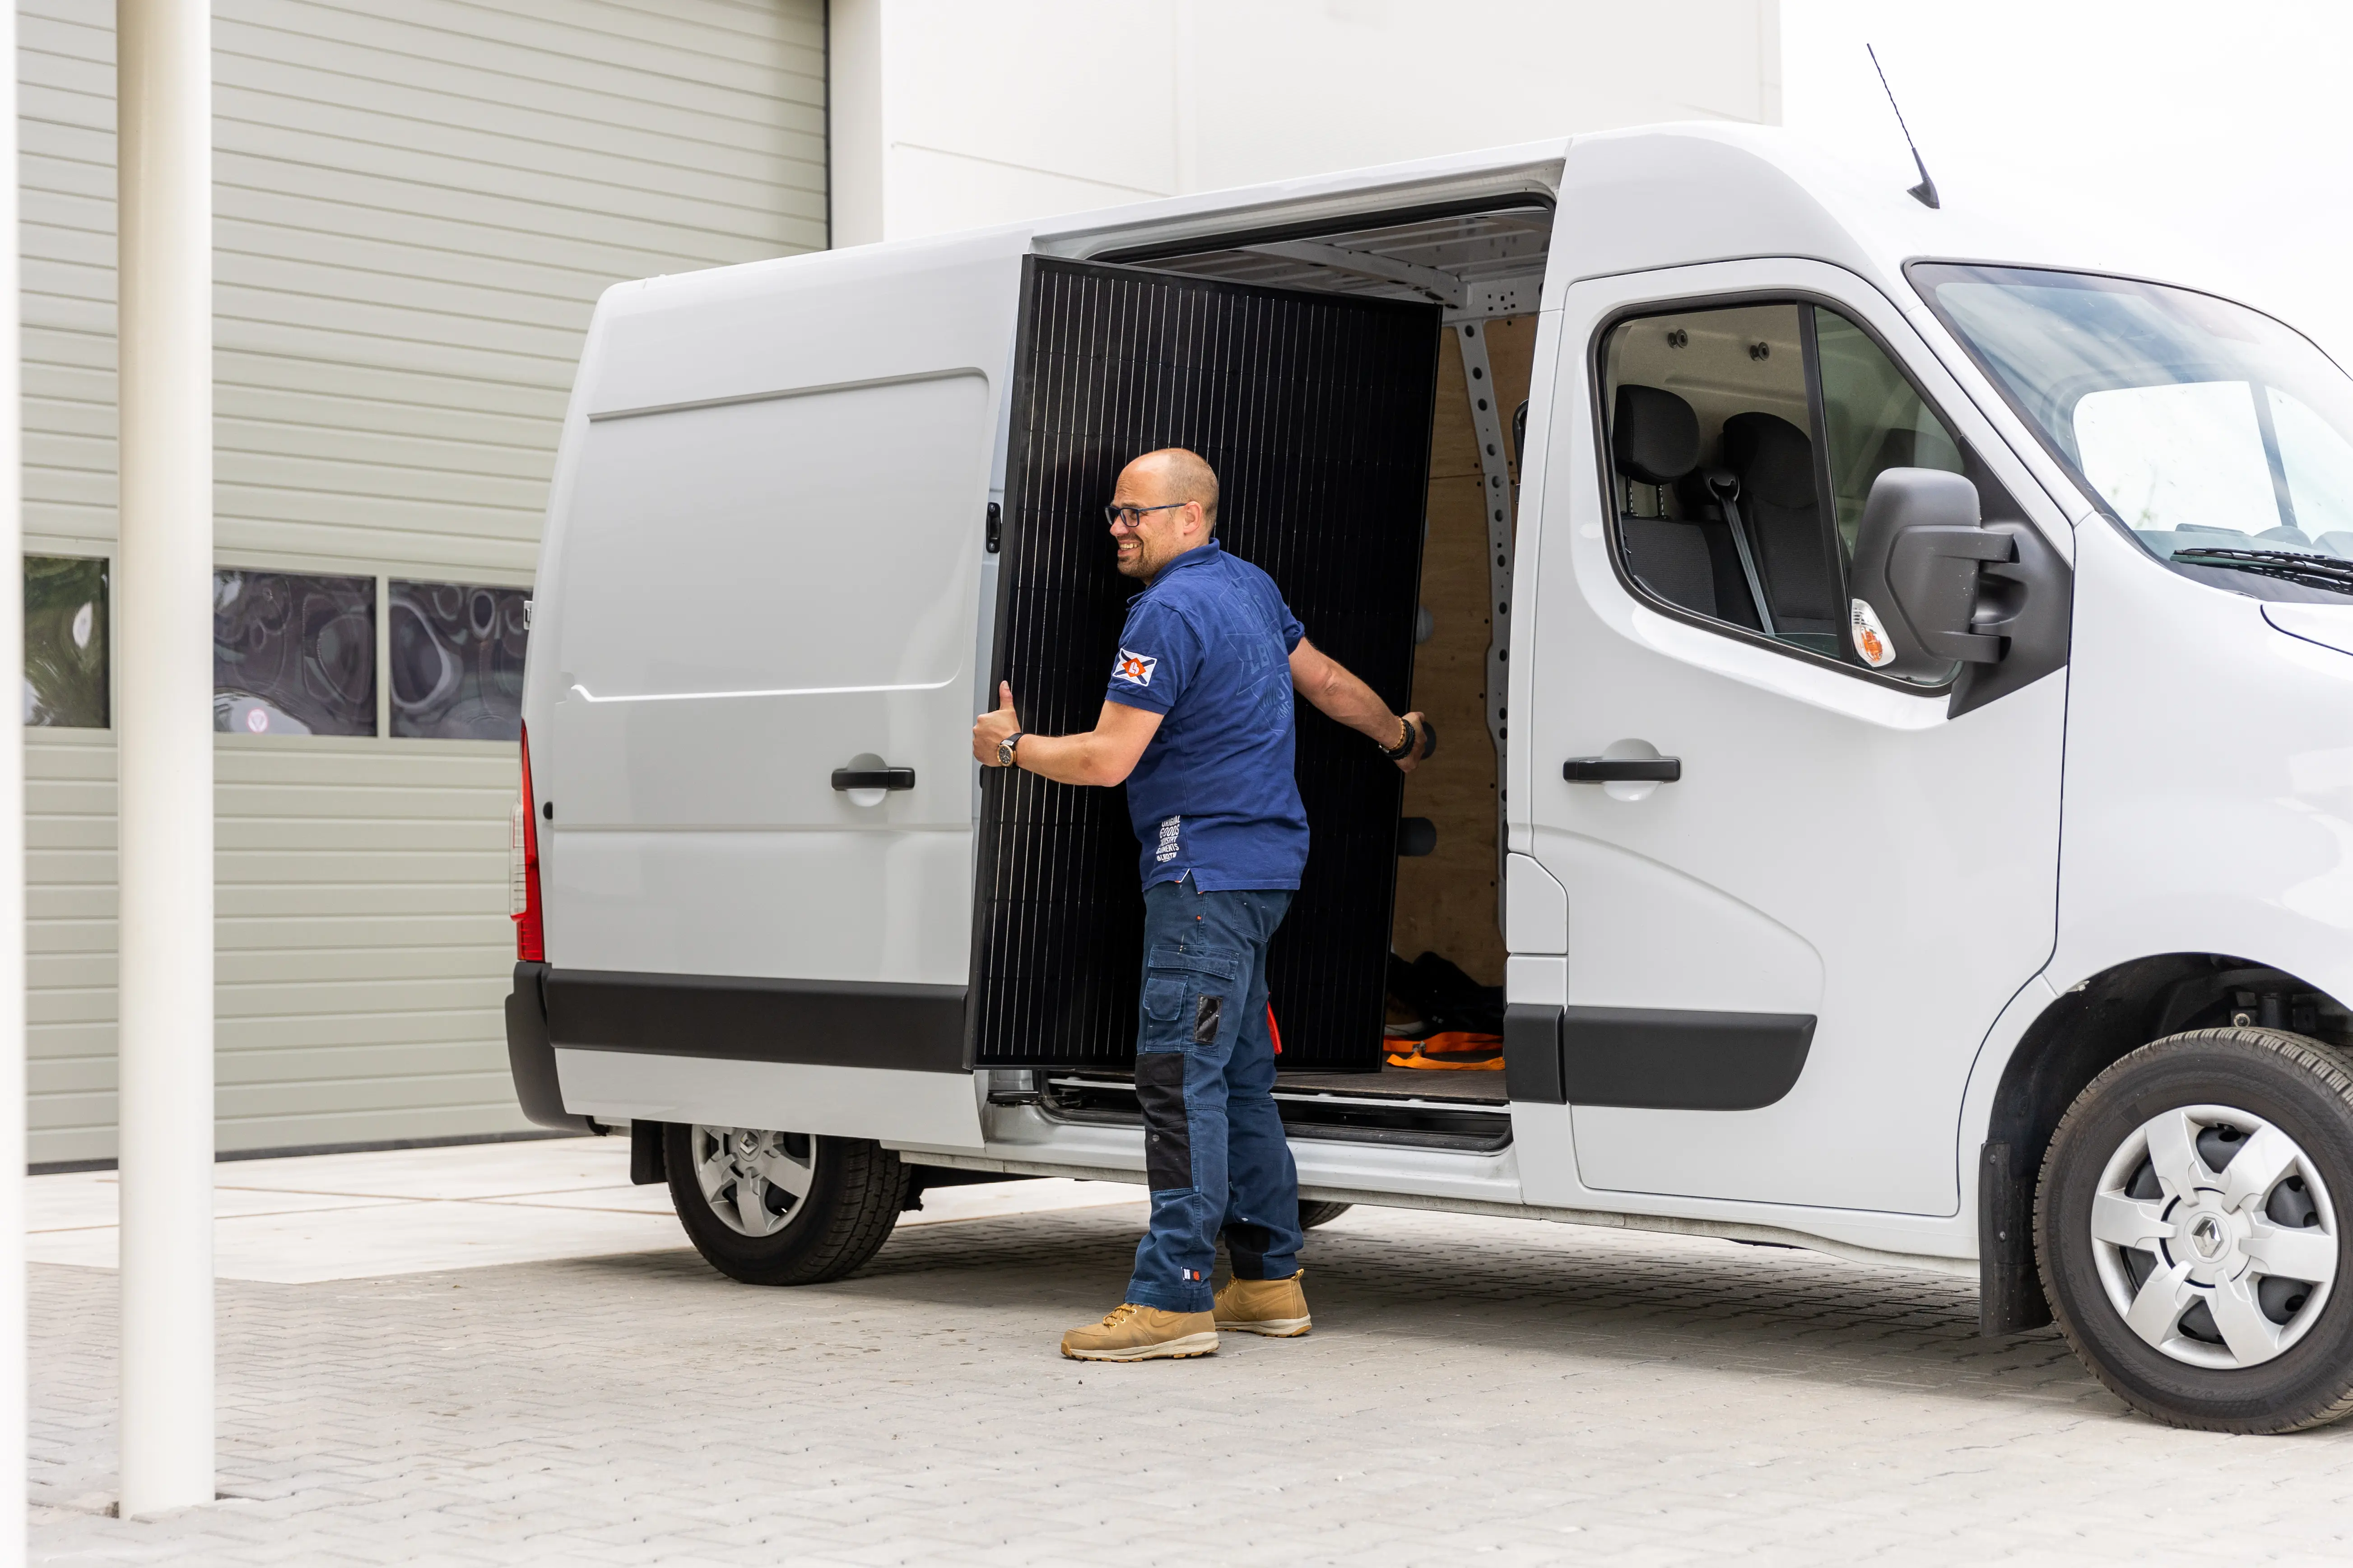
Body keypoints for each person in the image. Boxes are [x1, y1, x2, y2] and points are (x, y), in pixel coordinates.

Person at [971, 447, 1426, 1362]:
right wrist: (1400, 738)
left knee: (1180, 1080)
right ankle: (1267, 1282)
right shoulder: (1249, 587)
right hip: (1262, 873)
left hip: (1201, 880)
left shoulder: (1168, 612)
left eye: (1133, 513)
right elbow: (1327, 683)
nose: (1116, 527)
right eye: (1114, 512)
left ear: (1190, 517)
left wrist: (1011, 746)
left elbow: (1108, 759)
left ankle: (1172, 1297)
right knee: (1238, 1080)